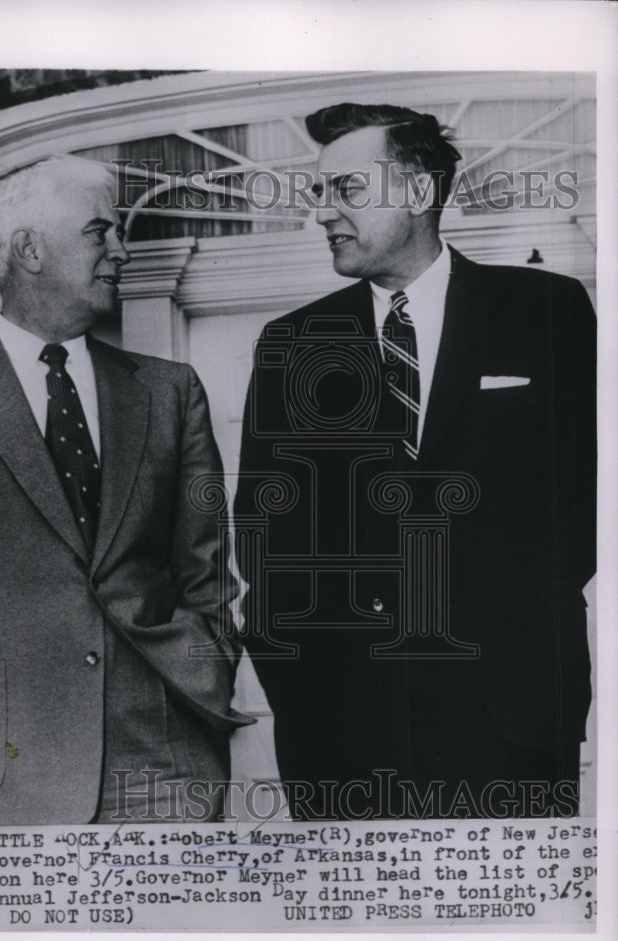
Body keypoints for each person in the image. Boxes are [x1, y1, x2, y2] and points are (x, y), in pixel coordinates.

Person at [234, 104, 595, 820]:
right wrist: (298, 684)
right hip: (340, 733)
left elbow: (588, 495)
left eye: (346, 189)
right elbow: (264, 535)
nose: (323, 214)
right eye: (318, 193)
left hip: (510, 716)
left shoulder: (545, 309)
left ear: (419, 193)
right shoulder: (294, 341)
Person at [0, 155, 250, 826]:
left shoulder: (169, 390)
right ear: (29, 249)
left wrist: (200, 674)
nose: (120, 251)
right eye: (100, 231)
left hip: (161, 765)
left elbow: (206, 575)